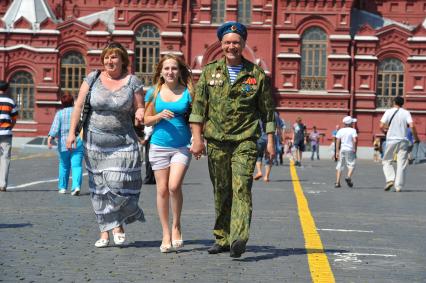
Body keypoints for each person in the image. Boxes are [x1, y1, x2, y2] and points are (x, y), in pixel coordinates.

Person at [189, 22, 276, 258]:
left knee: (242, 187)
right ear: (221, 44)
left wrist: (270, 141)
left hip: (245, 141)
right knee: (221, 190)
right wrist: (197, 139)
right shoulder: (209, 72)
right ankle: (222, 237)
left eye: (236, 42)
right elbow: (198, 109)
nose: (231, 46)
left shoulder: (256, 74)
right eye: (227, 42)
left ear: (243, 44)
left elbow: (267, 111)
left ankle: (238, 237)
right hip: (216, 141)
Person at [66, 42, 145, 248]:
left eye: (114, 57)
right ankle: (105, 231)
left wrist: (140, 112)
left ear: (122, 60)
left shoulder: (132, 81)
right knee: (99, 188)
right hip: (94, 143)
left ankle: (117, 222)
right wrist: (71, 133)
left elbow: (140, 106)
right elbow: (78, 107)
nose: (110, 61)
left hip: (123, 142)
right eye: (107, 57)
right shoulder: (92, 79)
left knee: (117, 184)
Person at [143, 54, 193, 253]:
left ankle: (176, 225)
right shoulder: (154, 92)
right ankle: (165, 233)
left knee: (174, 186)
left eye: (174, 68)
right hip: (158, 146)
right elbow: (145, 120)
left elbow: (198, 117)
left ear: (179, 71)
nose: (170, 72)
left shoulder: (189, 92)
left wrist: (198, 139)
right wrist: (158, 115)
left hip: (182, 146)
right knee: (162, 189)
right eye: (166, 69)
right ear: (161, 72)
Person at [380, 96, 419, 192]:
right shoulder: (406, 113)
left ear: (394, 102)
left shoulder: (388, 112)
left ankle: (390, 179)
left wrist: (386, 130)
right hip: (403, 140)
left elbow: (381, 125)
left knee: (386, 160)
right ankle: (398, 186)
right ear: (403, 103)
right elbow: (412, 126)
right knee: (402, 163)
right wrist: (416, 137)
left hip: (391, 140)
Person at [47, 93, 84, 195]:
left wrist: (50, 138)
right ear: (72, 102)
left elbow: (55, 128)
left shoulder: (59, 114)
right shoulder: (78, 112)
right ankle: (76, 187)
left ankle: (62, 188)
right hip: (77, 142)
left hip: (63, 144)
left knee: (64, 165)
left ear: (62, 103)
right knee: (77, 166)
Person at [0, 81, 18, 192]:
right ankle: (2, 184)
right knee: (5, 158)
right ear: (6, 89)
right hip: (6, 133)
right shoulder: (11, 101)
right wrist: (10, 126)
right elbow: (15, 118)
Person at [334, 116, 358, 188]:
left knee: (340, 165)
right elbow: (355, 140)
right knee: (351, 164)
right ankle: (348, 177)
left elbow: (338, 141)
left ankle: (337, 183)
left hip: (342, 149)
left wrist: (337, 152)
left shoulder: (340, 130)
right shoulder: (353, 130)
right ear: (350, 123)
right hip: (350, 149)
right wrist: (354, 149)